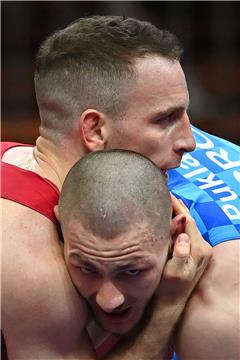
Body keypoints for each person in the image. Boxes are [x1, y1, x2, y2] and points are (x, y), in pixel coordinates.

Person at [0, 14, 237, 359]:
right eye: (165, 119)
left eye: (186, 116)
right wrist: (167, 309)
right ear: (95, 130)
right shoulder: (27, 261)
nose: (191, 140)